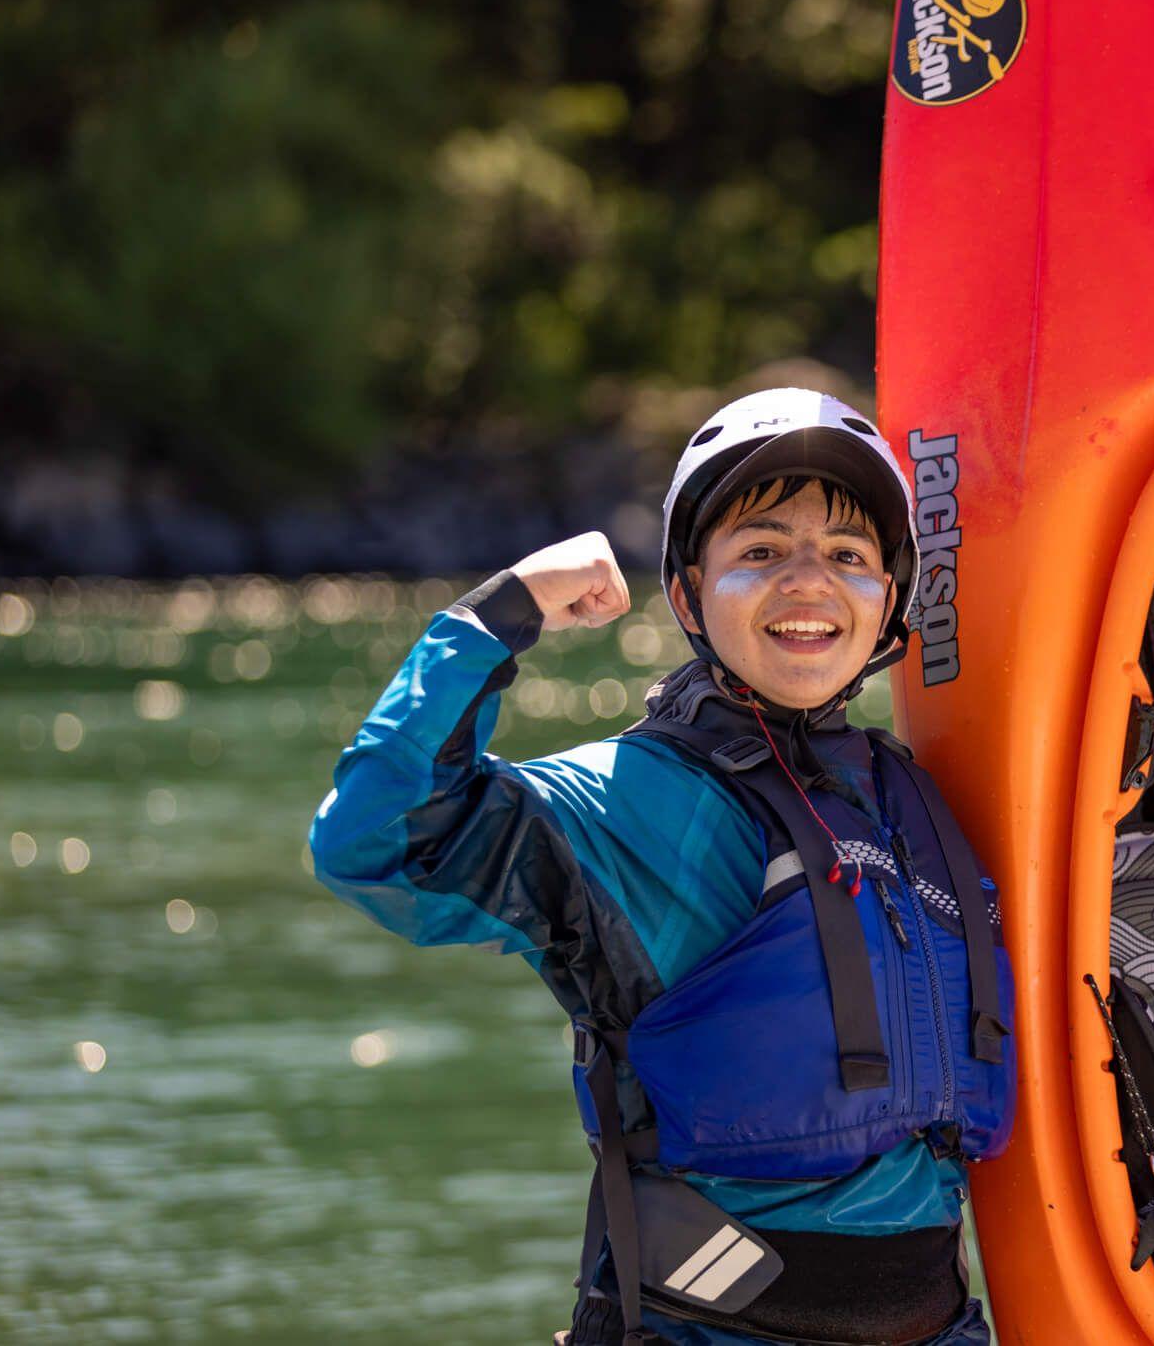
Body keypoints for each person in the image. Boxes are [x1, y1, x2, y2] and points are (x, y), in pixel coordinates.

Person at [308, 388, 1014, 1346]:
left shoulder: (914, 800)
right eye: (760, 552)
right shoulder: (637, 804)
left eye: (848, 557)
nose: (810, 582)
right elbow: (377, 839)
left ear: (889, 599)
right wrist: (499, 615)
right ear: (686, 595)